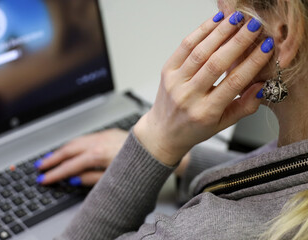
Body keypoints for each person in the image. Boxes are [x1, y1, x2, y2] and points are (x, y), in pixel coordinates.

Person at [35, 0, 308, 239]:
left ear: (282, 33)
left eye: (224, 10)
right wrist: (187, 162)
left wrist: (157, 138)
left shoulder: (208, 231)